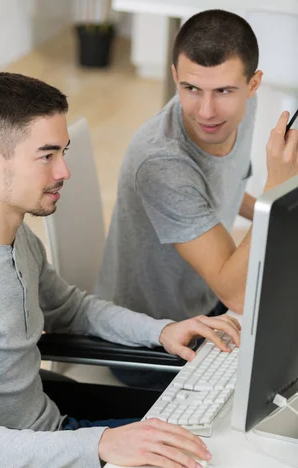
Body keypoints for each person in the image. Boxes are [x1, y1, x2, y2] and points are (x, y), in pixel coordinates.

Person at [0, 72, 241, 468]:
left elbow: (73, 310)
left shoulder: (17, 237)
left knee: (208, 455)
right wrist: (101, 444)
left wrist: (161, 331)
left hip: (54, 438)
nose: (64, 170)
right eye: (46, 155)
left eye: (64, 151)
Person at [96, 9, 298, 322]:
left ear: (253, 85)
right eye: (191, 89)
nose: (206, 112)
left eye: (224, 91)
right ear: (175, 75)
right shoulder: (161, 163)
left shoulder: (243, 109)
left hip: (207, 301)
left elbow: (220, 192)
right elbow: (237, 296)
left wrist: (282, 214)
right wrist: (277, 187)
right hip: (155, 338)